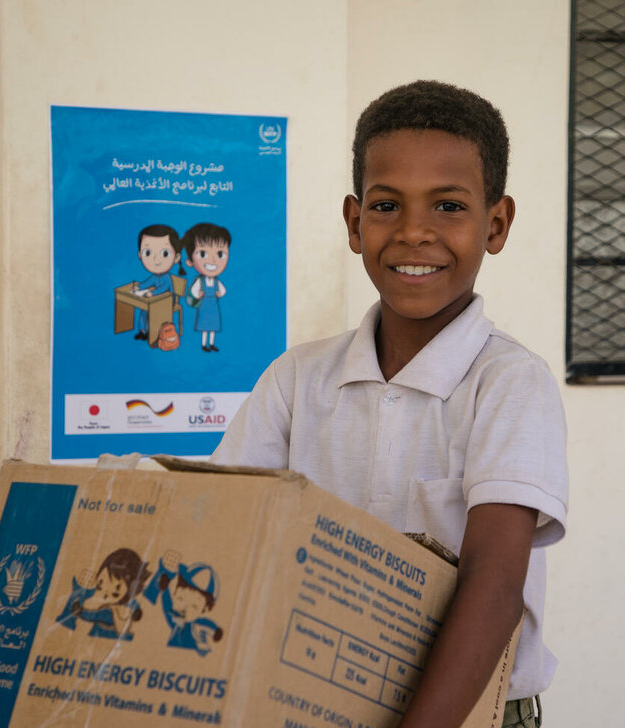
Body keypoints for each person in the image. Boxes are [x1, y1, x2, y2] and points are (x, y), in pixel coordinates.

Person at [211, 80, 568, 728]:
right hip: (309, 698)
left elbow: (493, 588)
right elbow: (224, 530)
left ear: (496, 223)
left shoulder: (509, 384)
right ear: (354, 222)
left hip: (471, 713)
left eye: (449, 206)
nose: (413, 233)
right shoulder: (298, 379)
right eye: (386, 205)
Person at [183, 223, 231, 352]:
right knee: (204, 327)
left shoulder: (215, 282)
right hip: (204, 305)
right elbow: (193, 291)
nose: (212, 260)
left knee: (213, 326)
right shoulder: (200, 281)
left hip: (213, 305)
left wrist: (219, 294)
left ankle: (211, 343)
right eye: (203, 254)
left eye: (220, 254)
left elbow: (223, 290)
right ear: (190, 261)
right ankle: (204, 344)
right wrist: (199, 295)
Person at [131, 224, 184, 341]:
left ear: (176, 257)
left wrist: (152, 294)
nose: (156, 260)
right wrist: (138, 287)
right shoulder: (155, 276)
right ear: (140, 254)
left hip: (167, 301)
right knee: (144, 309)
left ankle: (153, 334)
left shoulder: (166, 277)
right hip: (155, 300)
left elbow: (164, 288)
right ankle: (143, 331)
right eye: (148, 253)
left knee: (151, 311)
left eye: (165, 253)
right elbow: (148, 283)